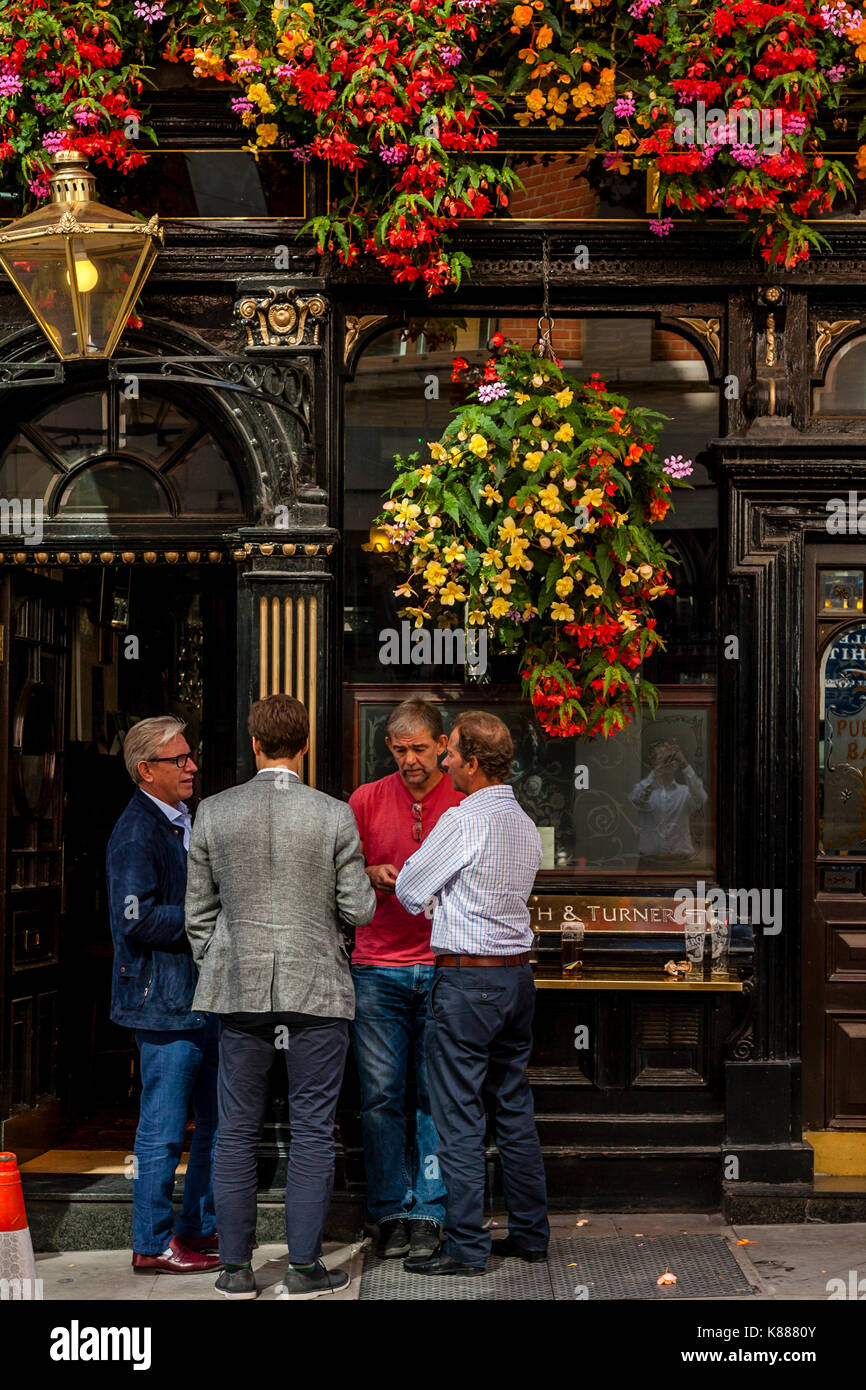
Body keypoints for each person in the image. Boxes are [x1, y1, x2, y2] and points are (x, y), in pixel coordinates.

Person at [185, 694, 376, 1300]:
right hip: (316, 989)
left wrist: (224, 963)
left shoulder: (213, 812)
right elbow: (359, 908)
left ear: (254, 743)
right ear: (307, 745)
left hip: (238, 992)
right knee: (314, 1131)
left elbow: (198, 916)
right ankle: (302, 1267)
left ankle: (236, 1270)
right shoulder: (334, 815)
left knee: (235, 1132)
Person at [395, 711, 550, 1276]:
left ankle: (465, 1247)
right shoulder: (525, 824)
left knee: (459, 1119)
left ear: (474, 762)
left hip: (467, 982)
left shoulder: (463, 821)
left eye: (451, 753)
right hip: (515, 977)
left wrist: (438, 899)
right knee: (513, 1108)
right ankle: (531, 1234)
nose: (443, 761)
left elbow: (411, 889)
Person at [348, 699, 463, 1260]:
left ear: (443, 745)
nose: (410, 759)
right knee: (381, 1097)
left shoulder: (464, 803)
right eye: (400, 749)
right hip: (377, 966)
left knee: (434, 1096)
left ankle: (431, 1208)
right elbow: (340, 875)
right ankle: (390, 1209)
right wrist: (367, 872)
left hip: (443, 966)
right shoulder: (365, 799)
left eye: (420, 748)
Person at [106, 715, 221, 1276]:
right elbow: (136, 919)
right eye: (179, 759)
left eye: (190, 756)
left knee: (215, 1121)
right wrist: (207, 918)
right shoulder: (136, 831)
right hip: (163, 1000)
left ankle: (196, 1228)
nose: (192, 766)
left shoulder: (186, 820)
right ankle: (151, 1243)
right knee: (162, 1127)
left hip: (202, 997)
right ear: (145, 769)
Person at [630, 738, 707, 869]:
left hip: (682, 862)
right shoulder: (644, 789)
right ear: (653, 763)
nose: (668, 762)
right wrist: (655, 772)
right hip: (649, 863)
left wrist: (685, 764)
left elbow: (701, 798)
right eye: (663, 758)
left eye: (672, 759)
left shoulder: (685, 792)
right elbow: (636, 799)